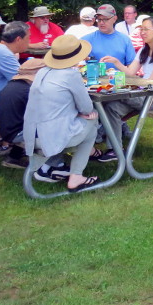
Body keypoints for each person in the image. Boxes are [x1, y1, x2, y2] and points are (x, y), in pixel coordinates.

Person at [23, 34, 101, 192]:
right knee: (93, 121)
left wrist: (78, 114)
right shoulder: (71, 75)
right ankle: (76, 176)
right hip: (50, 137)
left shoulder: (42, 72)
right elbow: (86, 108)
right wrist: (83, 114)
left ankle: (51, 166)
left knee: (84, 122)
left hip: (31, 135)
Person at [100, 15, 153, 137]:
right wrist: (116, 62)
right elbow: (130, 72)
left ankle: (99, 132)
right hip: (146, 93)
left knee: (116, 92)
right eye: (141, 29)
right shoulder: (143, 50)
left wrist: (128, 86)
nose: (142, 32)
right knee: (112, 108)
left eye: (146, 29)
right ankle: (114, 150)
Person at [0, 58, 46, 170]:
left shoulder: (13, 86)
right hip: (17, 133)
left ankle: (13, 157)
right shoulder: (28, 91)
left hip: (7, 130)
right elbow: (43, 113)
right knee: (55, 126)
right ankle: (50, 166)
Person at [86, 4, 136, 71]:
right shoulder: (86, 40)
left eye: (105, 19)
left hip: (119, 80)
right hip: (95, 80)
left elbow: (132, 68)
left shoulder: (125, 40)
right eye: (99, 19)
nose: (101, 23)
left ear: (114, 19)